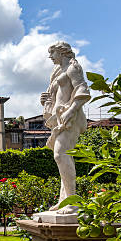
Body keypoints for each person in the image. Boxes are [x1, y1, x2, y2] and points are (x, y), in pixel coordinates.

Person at [40, 41, 91, 213]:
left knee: (60, 155)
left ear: (62, 52)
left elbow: (82, 90)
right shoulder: (57, 72)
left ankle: (73, 202)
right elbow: (58, 95)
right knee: (61, 157)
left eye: (52, 52)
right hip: (59, 119)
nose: (50, 56)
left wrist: (71, 111)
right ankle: (65, 200)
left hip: (70, 118)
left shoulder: (73, 67)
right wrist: (46, 100)